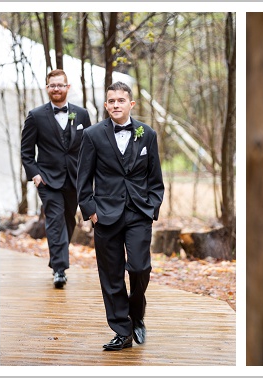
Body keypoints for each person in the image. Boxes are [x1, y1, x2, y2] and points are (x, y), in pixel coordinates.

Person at [77, 81, 164, 351]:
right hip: (105, 215)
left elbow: (156, 178)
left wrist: (152, 207)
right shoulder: (92, 135)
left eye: (121, 100)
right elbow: (83, 180)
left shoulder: (147, 134)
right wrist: (91, 212)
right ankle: (122, 331)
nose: (116, 105)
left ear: (131, 104)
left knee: (139, 268)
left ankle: (136, 314)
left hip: (139, 212)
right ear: (106, 105)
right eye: (111, 101)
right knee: (111, 275)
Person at [20, 69, 92, 288]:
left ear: (67, 87)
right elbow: (26, 151)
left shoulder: (81, 114)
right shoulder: (36, 115)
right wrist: (35, 175)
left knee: (69, 220)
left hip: (74, 178)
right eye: (53, 85)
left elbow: (89, 148)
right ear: (47, 88)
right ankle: (60, 269)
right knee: (54, 220)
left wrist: (88, 175)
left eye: (61, 85)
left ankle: (57, 259)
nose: (57, 89)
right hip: (48, 180)